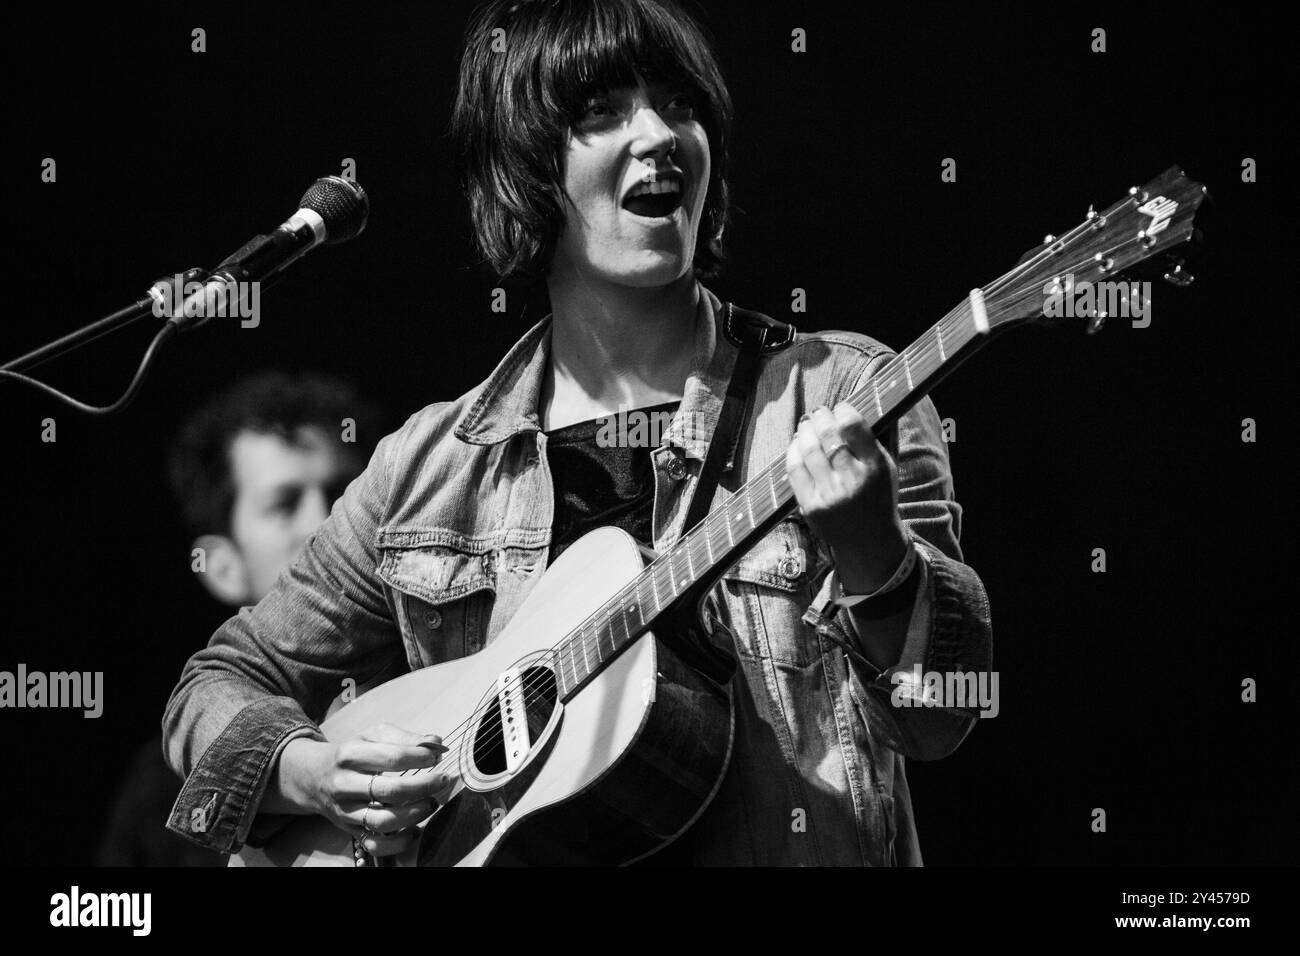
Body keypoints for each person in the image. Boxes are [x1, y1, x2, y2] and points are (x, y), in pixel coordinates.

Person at [163, 0, 992, 866]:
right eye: (601, 112)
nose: (660, 135)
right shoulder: (429, 467)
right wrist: (317, 771)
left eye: (679, 104)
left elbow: (942, 715)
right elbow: (214, 685)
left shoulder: (844, 392)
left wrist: (876, 558)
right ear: (522, 169)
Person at [96, 371, 380, 866]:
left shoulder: (436, 668)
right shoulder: (161, 791)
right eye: (284, 503)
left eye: (341, 490)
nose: (324, 520)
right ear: (222, 567)